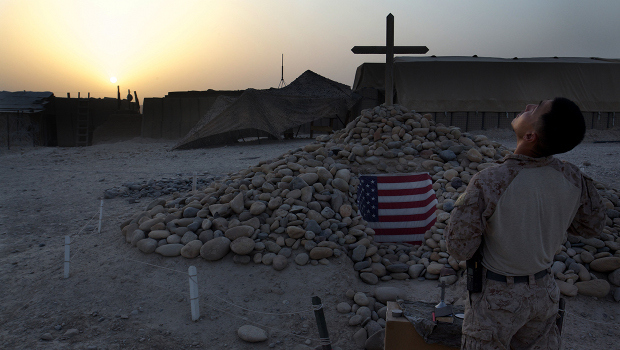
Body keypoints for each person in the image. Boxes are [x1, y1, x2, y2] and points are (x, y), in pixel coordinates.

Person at [445, 97, 606, 349]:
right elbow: (591, 227)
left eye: (536, 108)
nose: (529, 106)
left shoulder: (490, 180)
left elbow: (459, 247)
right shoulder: (574, 177)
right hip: (545, 292)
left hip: (497, 298)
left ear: (530, 135)